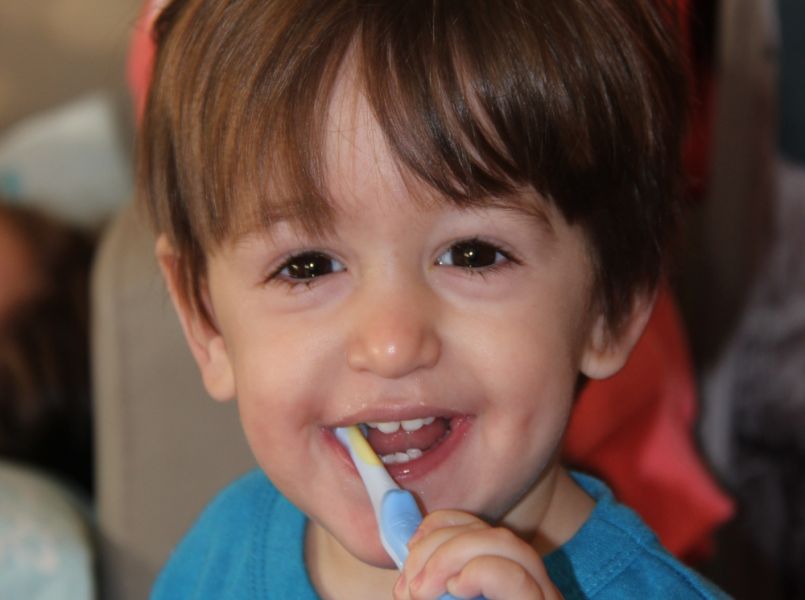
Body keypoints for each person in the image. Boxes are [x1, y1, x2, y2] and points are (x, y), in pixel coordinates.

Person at [139, 1, 729, 598]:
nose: (392, 345)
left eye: (473, 254)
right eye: (307, 266)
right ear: (205, 317)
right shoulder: (220, 551)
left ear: (614, 301)